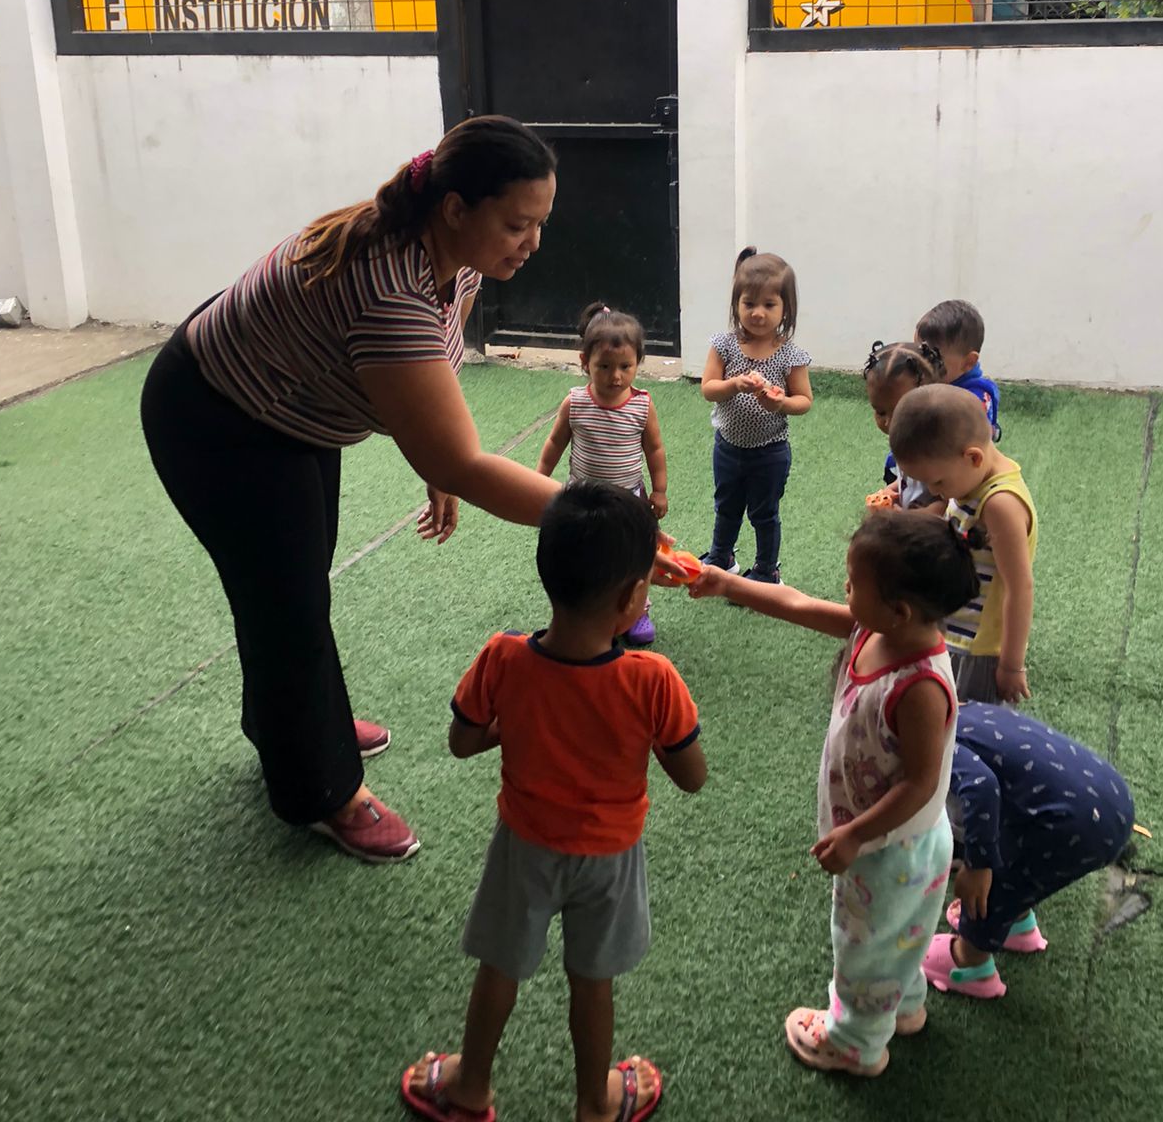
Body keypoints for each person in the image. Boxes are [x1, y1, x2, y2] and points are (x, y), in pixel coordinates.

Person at [141, 116, 566, 863]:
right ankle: (321, 790)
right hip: (218, 418)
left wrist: (434, 460)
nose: (532, 244)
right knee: (287, 604)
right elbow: (467, 463)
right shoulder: (388, 287)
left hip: (293, 405)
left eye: (540, 224)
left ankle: (295, 727)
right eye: (516, 224)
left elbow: (432, 373)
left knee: (294, 589)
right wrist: (599, 518)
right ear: (456, 208)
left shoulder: (460, 259)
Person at [401, 483, 706, 1122]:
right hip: (610, 858)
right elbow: (691, 776)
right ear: (631, 598)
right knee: (592, 982)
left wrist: (516, 723)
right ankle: (597, 1102)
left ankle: (470, 1088)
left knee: (499, 969)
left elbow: (462, 742)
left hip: (524, 847)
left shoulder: (504, 657)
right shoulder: (654, 680)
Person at [688, 509, 976, 1078]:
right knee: (901, 933)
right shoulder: (875, 629)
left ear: (899, 609)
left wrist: (854, 835)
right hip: (902, 841)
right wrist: (727, 583)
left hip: (888, 847)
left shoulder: (919, 686)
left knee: (863, 943)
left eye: (852, 583)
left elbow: (919, 783)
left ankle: (855, 1043)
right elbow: (796, 604)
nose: (844, 589)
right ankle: (904, 1007)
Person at [924, 702, 1135, 1000]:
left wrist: (977, 866)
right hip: (1112, 794)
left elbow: (981, 788)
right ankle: (1017, 923)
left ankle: (969, 961)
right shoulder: (971, 711)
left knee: (1002, 873)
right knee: (1020, 850)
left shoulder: (940, 741)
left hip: (1078, 822)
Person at [889, 385, 1038, 705]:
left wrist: (1011, 665)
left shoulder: (999, 505)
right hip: (951, 633)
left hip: (977, 652)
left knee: (965, 724)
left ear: (973, 457)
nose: (933, 491)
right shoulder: (970, 481)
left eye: (937, 482)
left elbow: (1020, 587)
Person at [536, 302, 668, 645]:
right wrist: (539, 481)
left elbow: (654, 449)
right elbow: (554, 443)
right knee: (583, 556)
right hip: (583, 502)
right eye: (604, 367)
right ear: (585, 362)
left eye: (626, 366)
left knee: (632, 557)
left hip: (629, 500)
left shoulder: (642, 405)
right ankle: (582, 611)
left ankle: (637, 611)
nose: (616, 376)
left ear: (638, 362)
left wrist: (659, 490)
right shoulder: (576, 403)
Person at [698, 247, 813, 584]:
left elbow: (804, 400)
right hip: (727, 448)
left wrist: (780, 403)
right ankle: (722, 556)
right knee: (726, 506)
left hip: (770, 452)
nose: (758, 313)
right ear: (736, 304)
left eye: (769, 305)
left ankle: (766, 570)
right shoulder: (724, 345)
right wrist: (734, 384)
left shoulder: (790, 354)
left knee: (764, 514)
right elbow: (708, 389)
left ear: (786, 308)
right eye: (749, 303)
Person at [864, 339, 944, 509]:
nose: (889, 422)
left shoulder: (939, 450)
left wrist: (905, 519)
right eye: (880, 412)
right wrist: (890, 491)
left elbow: (946, 504)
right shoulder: (908, 439)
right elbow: (908, 482)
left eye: (900, 411)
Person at [915, 299, 1001, 441]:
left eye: (934, 359)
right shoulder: (932, 381)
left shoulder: (975, 399)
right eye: (919, 354)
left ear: (968, 362)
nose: (923, 365)